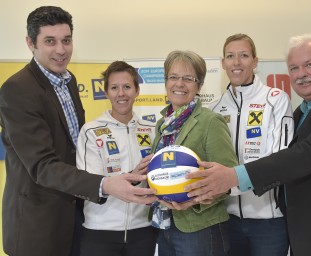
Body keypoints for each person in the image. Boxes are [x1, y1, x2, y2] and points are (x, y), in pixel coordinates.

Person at [186, 32, 311, 256]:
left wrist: (233, 177)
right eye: (294, 68)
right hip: (298, 228)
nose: (301, 74)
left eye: (310, 65)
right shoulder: (303, 111)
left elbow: (304, 154)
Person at [0, 6, 156, 256]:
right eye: (50, 41)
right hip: (38, 225)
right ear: (31, 43)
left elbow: (76, 148)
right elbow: (42, 165)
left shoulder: (68, 80)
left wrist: (124, 176)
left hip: (75, 217)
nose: (61, 50)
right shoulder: (17, 90)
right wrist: (105, 185)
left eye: (66, 40)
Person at [209, 33, 293, 256]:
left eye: (244, 55)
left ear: (255, 62)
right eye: (230, 56)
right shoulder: (215, 109)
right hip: (228, 220)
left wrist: (231, 182)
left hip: (269, 221)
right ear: (223, 63)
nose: (236, 62)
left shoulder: (276, 99)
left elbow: (281, 159)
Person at [151, 50, 238, 256]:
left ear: (199, 85)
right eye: (173, 77)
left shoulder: (210, 121)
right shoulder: (161, 125)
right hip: (165, 224)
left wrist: (197, 200)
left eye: (188, 79)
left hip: (201, 227)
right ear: (166, 82)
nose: (179, 84)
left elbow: (230, 176)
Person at [76, 61, 158, 256]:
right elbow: (90, 183)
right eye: (114, 87)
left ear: (137, 91)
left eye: (127, 87)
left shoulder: (152, 130)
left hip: (144, 231)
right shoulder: (91, 131)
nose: (121, 93)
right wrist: (132, 175)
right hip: (99, 232)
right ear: (106, 93)